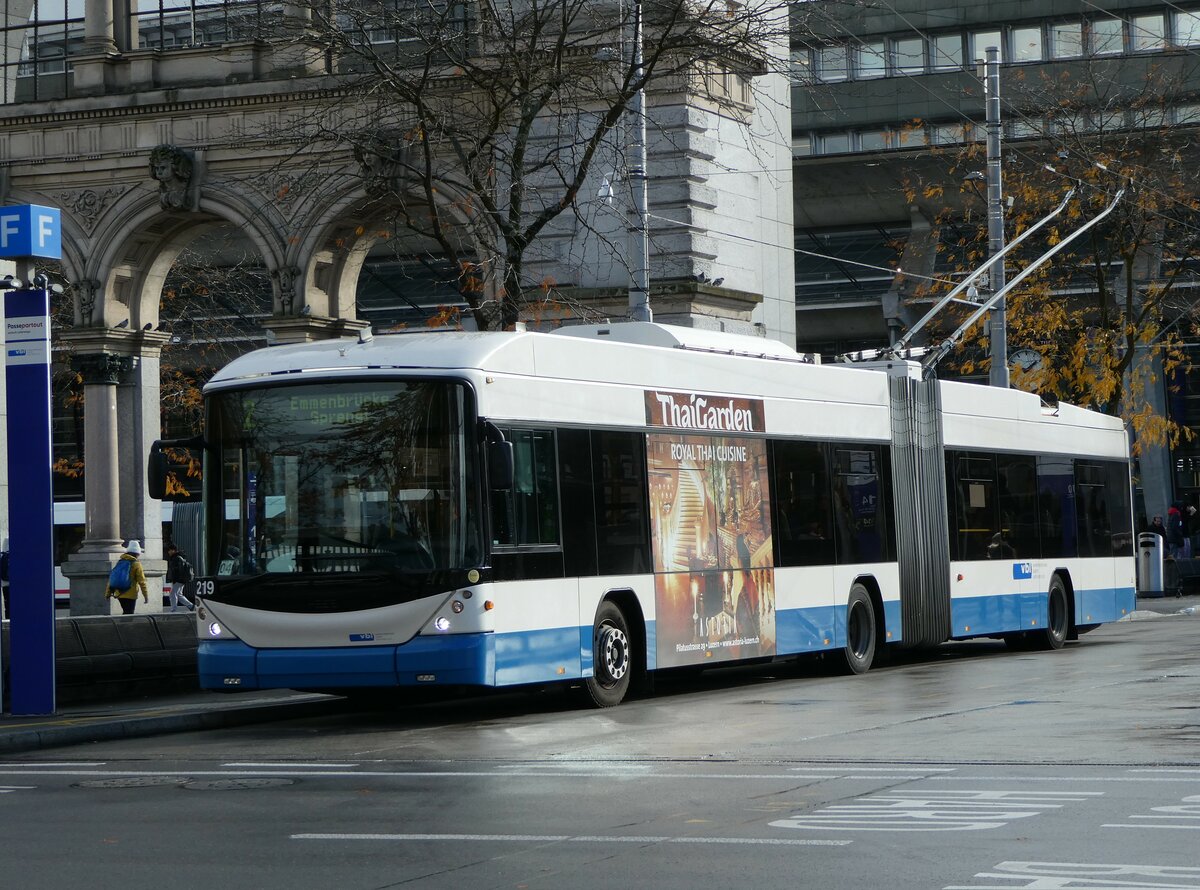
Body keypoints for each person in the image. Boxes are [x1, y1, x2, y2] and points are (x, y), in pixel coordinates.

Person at [106, 540, 149, 614]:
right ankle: (123, 625)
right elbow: (142, 582)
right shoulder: (136, 564)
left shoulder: (120, 562)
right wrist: (146, 595)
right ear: (137, 553)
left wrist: (108, 593)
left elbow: (113, 578)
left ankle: (122, 625)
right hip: (131, 594)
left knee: (126, 612)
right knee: (129, 614)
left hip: (119, 593)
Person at [164, 543, 195, 612]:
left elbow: (179, 570)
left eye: (169, 550)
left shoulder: (177, 558)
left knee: (172, 594)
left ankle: (173, 609)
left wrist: (176, 579)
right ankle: (191, 606)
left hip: (179, 580)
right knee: (179, 594)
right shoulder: (176, 557)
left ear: (173, 550)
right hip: (180, 580)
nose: (168, 552)